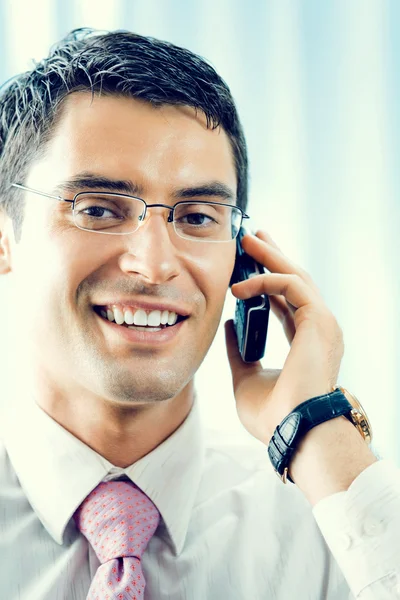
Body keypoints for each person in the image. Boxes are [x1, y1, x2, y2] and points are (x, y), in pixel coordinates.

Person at [0, 27, 398, 600]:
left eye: (196, 217)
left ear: (244, 259)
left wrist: (314, 427)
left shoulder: (337, 522)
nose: (155, 264)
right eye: (99, 209)